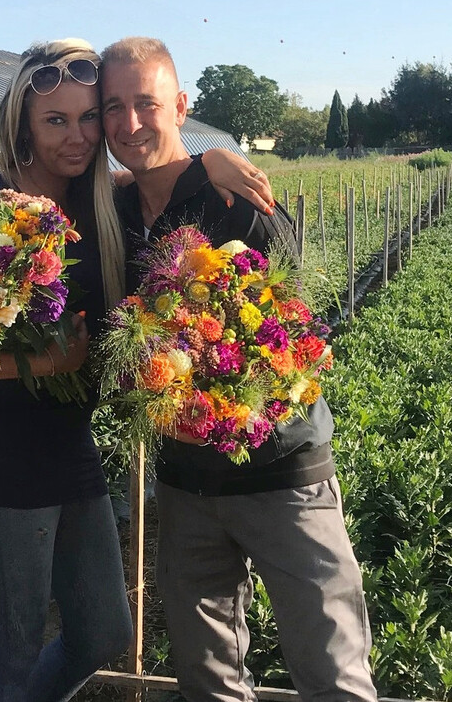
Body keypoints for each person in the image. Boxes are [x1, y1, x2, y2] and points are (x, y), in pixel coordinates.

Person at [0, 38, 274, 702]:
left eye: (87, 116)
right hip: (5, 452)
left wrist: (209, 159)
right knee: (10, 652)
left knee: (100, 629)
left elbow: (158, 170)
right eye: (55, 120)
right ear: (23, 127)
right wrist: (48, 358)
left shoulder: (97, 205)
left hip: (68, 445)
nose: (79, 134)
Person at [99, 36, 378, 702]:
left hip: (282, 475)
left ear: (181, 105)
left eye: (147, 102)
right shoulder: (110, 212)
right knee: (207, 678)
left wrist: (226, 409)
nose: (129, 123)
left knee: (332, 670)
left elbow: (300, 335)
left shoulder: (239, 202)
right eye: (113, 106)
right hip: (185, 484)